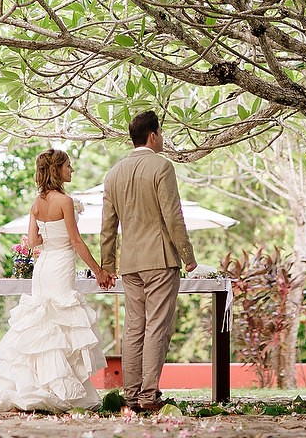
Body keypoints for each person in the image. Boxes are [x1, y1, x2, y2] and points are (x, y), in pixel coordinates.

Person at [0, 149, 116, 412]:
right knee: (59, 322)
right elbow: (76, 242)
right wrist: (98, 270)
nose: (72, 170)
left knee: (42, 323)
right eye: (68, 166)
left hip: (44, 267)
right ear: (57, 170)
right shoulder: (64, 201)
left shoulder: (36, 203)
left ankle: (34, 386)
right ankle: (54, 390)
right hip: (61, 264)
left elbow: (33, 242)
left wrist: (50, 236)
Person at [100, 111, 196, 413]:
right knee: (157, 327)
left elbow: (107, 225)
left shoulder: (113, 173)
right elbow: (173, 215)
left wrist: (107, 263)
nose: (163, 138)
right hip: (160, 259)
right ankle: (148, 395)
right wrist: (188, 256)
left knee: (133, 328)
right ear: (153, 135)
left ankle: (130, 394)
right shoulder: (161, 166)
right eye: (162, 132)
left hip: (129, 263)